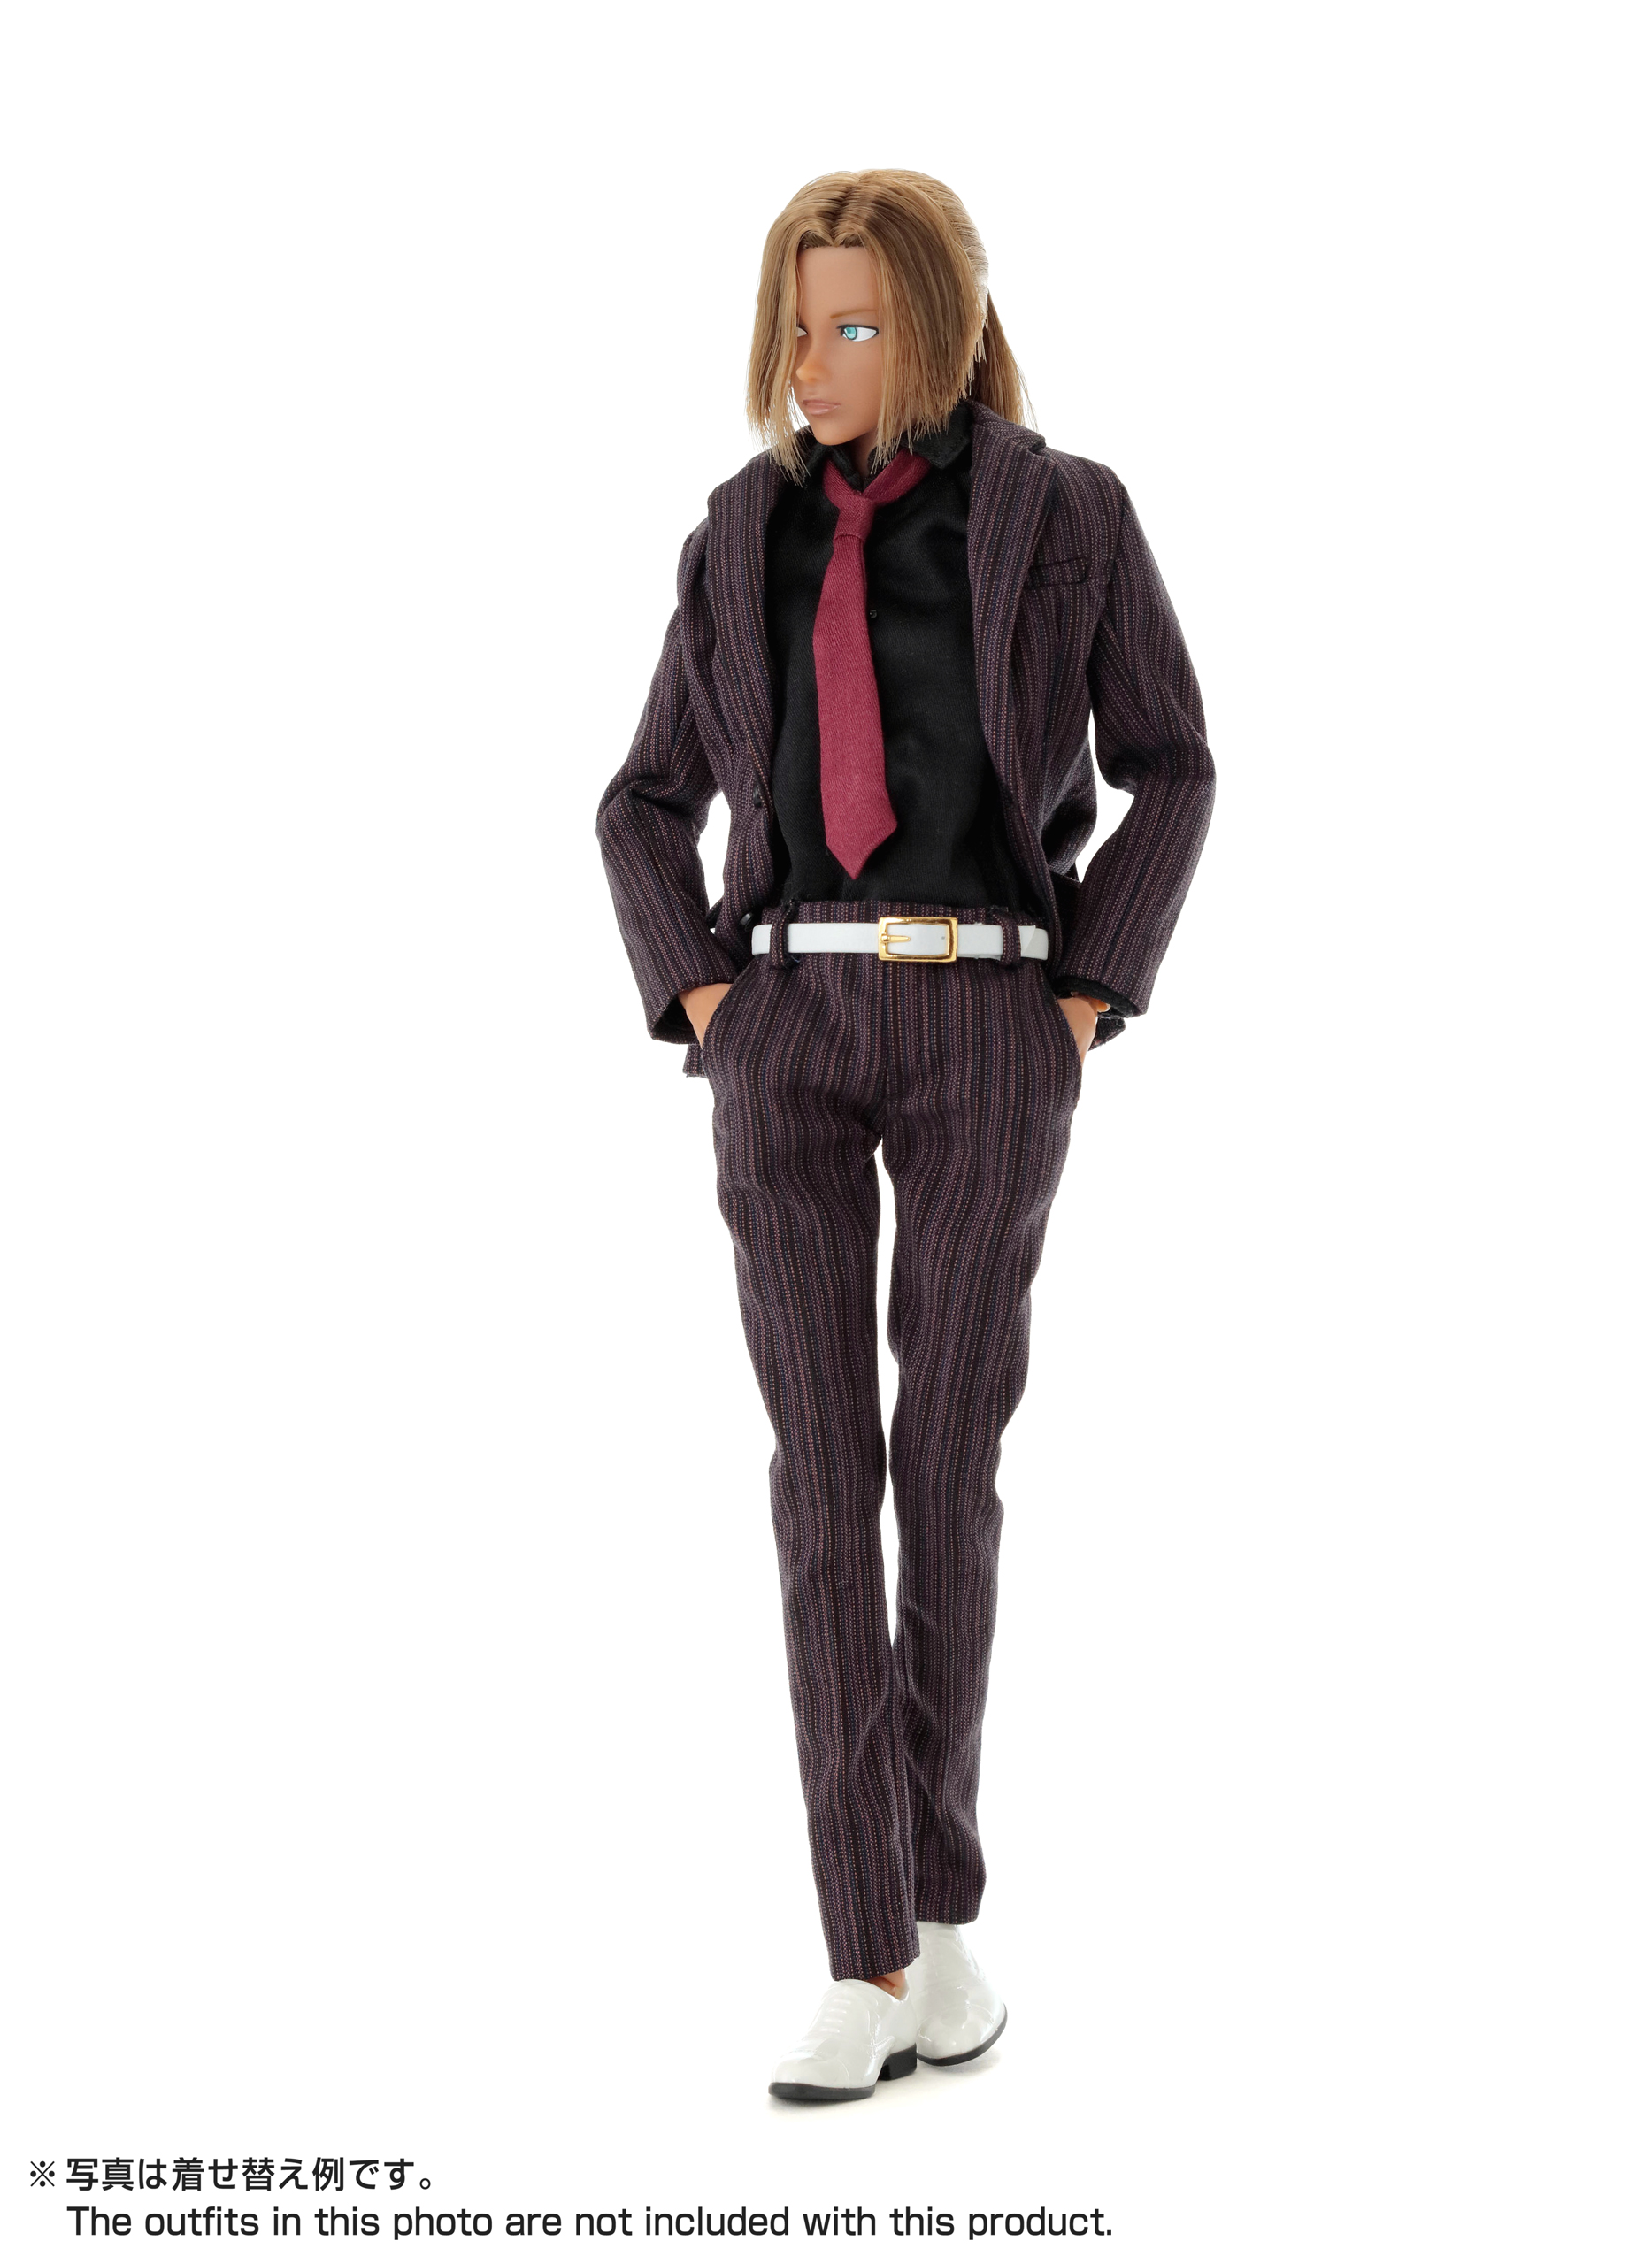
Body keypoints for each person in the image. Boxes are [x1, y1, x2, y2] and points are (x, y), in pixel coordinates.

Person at [596, 169, 1215, 2102]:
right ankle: (867, 1949)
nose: (816, 360)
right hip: (785, 1019)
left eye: (854, 324)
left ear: (934, 325)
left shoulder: (1064, 513)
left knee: (945, 1461)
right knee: (822, 1475)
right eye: (798, 323)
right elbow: (640, 799)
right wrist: (710, 1002)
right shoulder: (737, 534)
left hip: (984, 1016)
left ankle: (941, 1917)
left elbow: (1175, 762)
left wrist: (1085, 990)